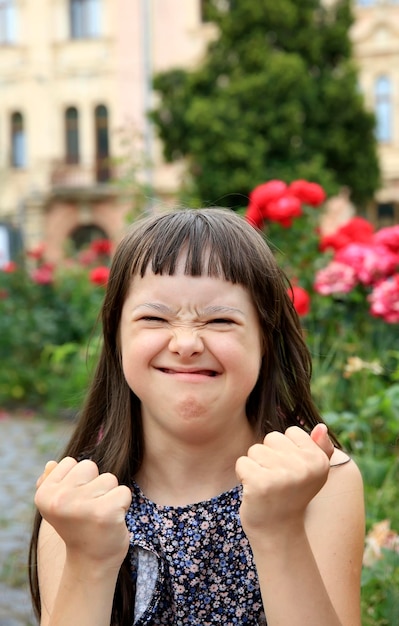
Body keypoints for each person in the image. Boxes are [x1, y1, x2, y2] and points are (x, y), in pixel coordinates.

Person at [29, 208, 365, 626]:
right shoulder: (79, 503)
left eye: (220, 319)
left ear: (265, 339)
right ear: (116, 337)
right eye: (153, 318)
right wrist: (88, 559)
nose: (186, 342)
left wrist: (280, 529)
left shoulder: (320, 482)